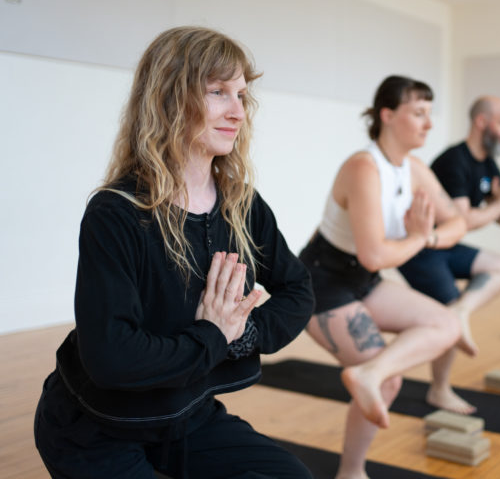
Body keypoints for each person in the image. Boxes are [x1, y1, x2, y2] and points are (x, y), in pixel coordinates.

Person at [33, 26, 314, 479]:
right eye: (219, 92)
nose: (237, 112)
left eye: (241, 95)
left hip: (186, 417)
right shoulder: (117, 213)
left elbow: (297, 289)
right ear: (169, 98)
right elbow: (112, 356)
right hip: (96, 430)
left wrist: (238, 335)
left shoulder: (241, 203)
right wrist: (211, 338)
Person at [298, 75, 470, 479]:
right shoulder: (364, 167)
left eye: (430, 114)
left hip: (360, 280)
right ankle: (351, 472)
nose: (428, 124)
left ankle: (369, 373)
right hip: (322, 283)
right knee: (390, 386)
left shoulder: (412, 167)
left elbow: (458, 222)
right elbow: (374, 255)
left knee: (447, 322)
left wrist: (423, 237)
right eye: (419, 113)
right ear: (387, 116)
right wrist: (419, 238)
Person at [398, 95, 500, 415]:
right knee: (446, 311)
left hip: (448, 246)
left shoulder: (487, 163)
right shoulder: (455, 160)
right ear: (482, 122)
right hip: (422, 248)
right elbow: (464, 220)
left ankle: (461, 311)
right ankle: (439, 391)